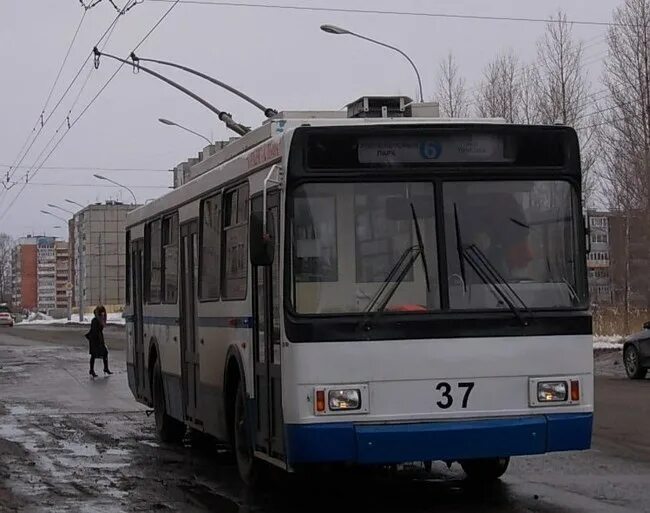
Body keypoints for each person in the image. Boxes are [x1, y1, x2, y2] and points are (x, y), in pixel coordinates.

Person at [86, 305, 112, 378]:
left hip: (98, 339)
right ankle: (92, 370)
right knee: (94, 355)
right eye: (102, 313)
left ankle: (104, 368)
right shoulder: (95, 320)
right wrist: (99, 342)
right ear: (99, 313)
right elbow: (95, 331)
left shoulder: (99, 319)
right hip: (95, 340)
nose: (103, 314)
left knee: (103, 353)